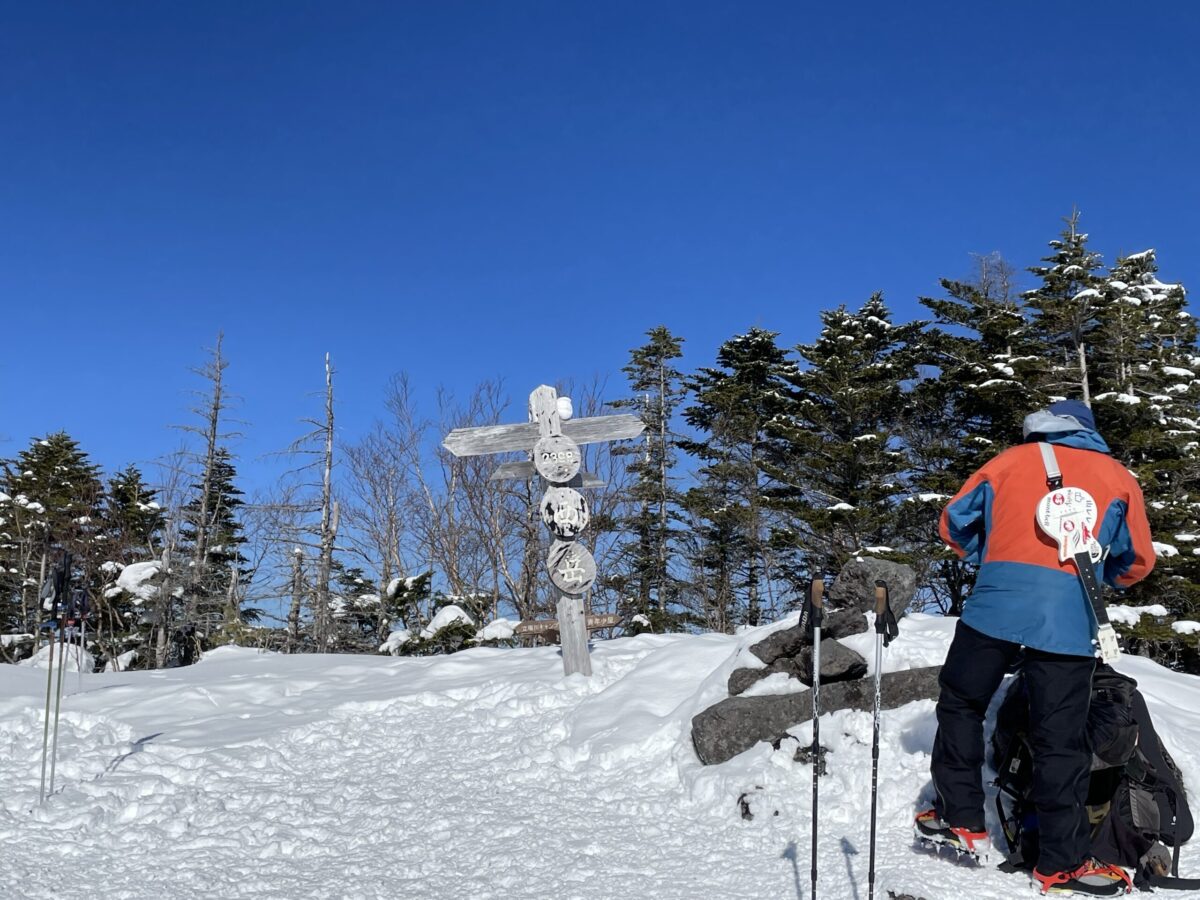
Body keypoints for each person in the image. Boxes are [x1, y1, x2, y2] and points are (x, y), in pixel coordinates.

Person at [914, 400, 1155, 897]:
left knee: (962, 702)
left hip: (995, 605)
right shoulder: (1117, 477)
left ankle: (961, 818)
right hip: (1070, 617)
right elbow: (1137, 563)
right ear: (1087, 431)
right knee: (1060, 739)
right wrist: (1097, 574)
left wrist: (994, 551)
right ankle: (1058, 864)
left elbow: (953, 523)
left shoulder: (1004, 463)